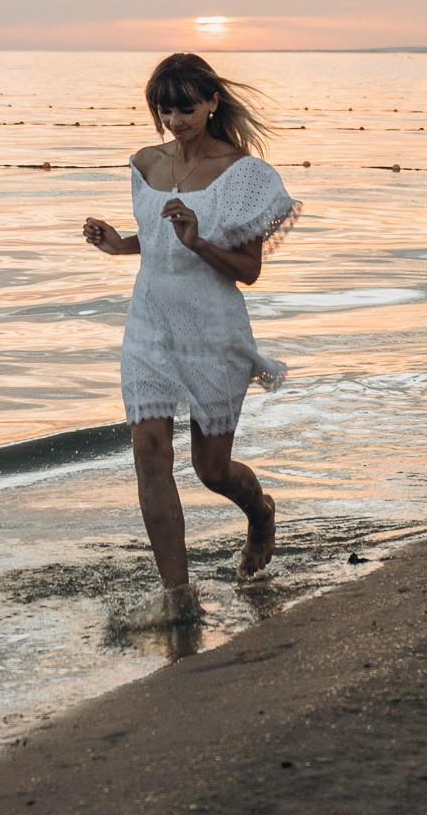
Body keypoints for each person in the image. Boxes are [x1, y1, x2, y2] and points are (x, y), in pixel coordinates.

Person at [83, 52, 299, 625]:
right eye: (164, 108)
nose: (174, 120)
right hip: (149, 324)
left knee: (211, 470)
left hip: (211, 330)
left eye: (185, 107)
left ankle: (260, 517)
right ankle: (179, 599)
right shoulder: (143, 163)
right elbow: (156, 241)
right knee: (149, 453)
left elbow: (246, 271)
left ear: (210, 103)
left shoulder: (243, 175)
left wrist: (199, 240)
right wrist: (118, 243)